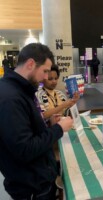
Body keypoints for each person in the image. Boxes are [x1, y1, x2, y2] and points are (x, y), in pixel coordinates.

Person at [0, 43, 74, 200]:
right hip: (31, 185)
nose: (47, 77)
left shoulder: (20, 89)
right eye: (45, 71)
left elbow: (26, 129)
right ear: (31, 64)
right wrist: (59, 129)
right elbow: (25, 149)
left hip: (36, 177)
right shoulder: (11, 98)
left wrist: (48, 125)